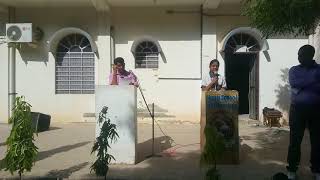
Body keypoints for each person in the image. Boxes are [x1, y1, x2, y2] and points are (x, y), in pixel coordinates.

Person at [287, 45, 320, 180]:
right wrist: (314, 80)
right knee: (294, 141)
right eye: (298, 55)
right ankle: (292, 170)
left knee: (317, 141)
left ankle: (317, 170)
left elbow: (301, 84)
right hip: (297, 110)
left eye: (301, 55)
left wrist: (304, 84)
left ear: (310, 55)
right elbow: (294, 82)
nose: (299, 58)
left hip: (317, 110)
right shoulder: (294, 70)